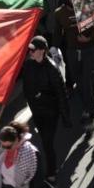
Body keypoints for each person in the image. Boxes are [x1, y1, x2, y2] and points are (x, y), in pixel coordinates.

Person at [20, 36, 70, 180]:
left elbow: (61, 94)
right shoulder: (28, 65)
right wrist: (31, 98)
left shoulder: (52, 69)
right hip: (36, 111)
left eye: (33, 50)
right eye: (29, 50)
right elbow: (26, 86)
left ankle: (52, 172)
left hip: (50, 113)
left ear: (42, 51)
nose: (30, 52)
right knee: (43, 140)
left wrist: (65, 117)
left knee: (47, 143)